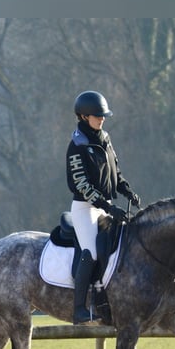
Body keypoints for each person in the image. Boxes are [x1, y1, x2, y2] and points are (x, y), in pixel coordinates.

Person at [66, 90, 141, 325]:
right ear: (84, 116)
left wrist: (126, 190)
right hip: (84, 208)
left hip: (104, 207)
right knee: (92, 252)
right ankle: (79, 309)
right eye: (98, 116)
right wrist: (108, 206)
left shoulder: (105, 138)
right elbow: (81, 183)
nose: (102, 119)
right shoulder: (77, 145)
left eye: (103, 115)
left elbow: (115, 173)